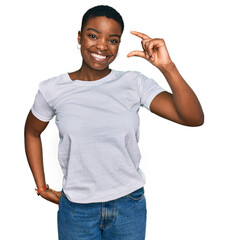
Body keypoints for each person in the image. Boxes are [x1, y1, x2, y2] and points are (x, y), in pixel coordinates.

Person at [24, 5, 204, 240]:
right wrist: (42, 187)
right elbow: (31, 133)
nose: (102, 46)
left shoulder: (134, 83)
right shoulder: (52, 89)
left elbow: (193, 118)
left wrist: (167, 67)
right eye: (92, 35)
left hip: (128, 205)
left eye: (113, 40)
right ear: (79, 37)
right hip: (77, 210)